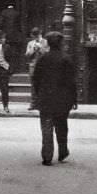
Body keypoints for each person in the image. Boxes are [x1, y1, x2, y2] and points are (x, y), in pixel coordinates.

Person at [32, 31, 77, 166]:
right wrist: (74, 99)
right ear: (61, 43)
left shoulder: (42, 59)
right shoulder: (66, 59)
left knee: (46, 127)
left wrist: (39, 94)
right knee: (62, 126)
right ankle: (62, 151)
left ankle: (47, 156)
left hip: (46, 98)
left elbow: (36, 79)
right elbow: (71, 81)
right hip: (63, 100)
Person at [24, 27, 49, 110]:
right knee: (34, 85)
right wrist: (33, 50)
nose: (35, 38)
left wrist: (41, 48)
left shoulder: (46, 42)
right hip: (33, 66)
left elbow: (48, 53)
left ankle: (42, 104)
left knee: (43, 85)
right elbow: (27, 55)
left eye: (37, 36)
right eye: (34, 36)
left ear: (40, 34)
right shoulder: (30, 43)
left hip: (43, 66)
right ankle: (33, 104)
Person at [0, 3, 23, 73]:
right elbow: (19, 25)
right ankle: (12, 69)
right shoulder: (17, 13)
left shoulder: (3, 12)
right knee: (13, 53)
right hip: (15, 36)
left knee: (4, 52)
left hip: (5, 36)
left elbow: (0, 23)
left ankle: (5, 68)